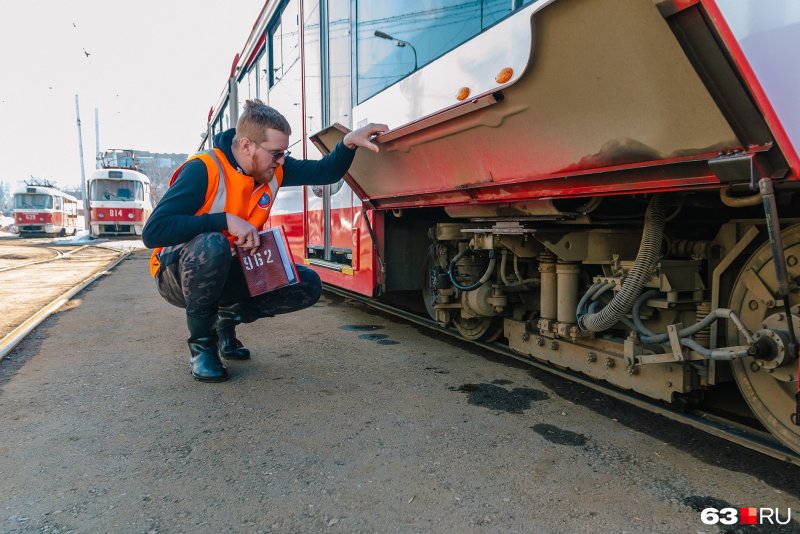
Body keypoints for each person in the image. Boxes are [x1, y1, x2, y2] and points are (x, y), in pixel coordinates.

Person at [142, 99, 387, 382]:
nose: (281, 160)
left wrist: (348, 143)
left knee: (306, 285)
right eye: (276, 153)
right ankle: (202, 347)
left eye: (284, 152)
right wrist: (224, 221)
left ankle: (225, 321)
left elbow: (324, 172)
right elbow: (154, 232)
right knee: (213, 244)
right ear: (247, 146)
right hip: (176, 275)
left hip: (226, 269)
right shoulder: (203, 170)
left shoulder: (272, 168)